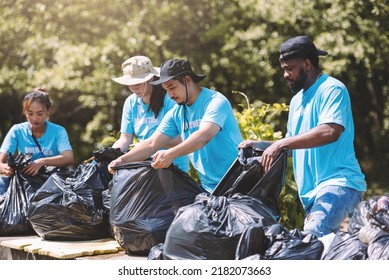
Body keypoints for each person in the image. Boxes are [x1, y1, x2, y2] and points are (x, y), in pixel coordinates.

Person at [239, 35, 367, 237]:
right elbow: (292, 145)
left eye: (289, 68)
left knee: (311, 237)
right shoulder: (297, 101)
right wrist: (260, 144)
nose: (285, 74)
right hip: (311, 194)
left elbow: (330, 131)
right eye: (284, 69)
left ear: (307, 64)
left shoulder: (331, 89)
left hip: (339, 183)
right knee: (326, 251)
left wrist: (281, 143)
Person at [109, 59, 243, 193]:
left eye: (172, 87)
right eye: (166, 89)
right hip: (209, 189)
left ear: (187, 80)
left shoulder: (215, 102)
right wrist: (120, 161)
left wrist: (171, 154)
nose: (170, 95)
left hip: (237, 182)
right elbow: (151, 143)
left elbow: (204, 136)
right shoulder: (177, 112)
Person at [111, 55, 189, 172]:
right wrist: (111, 153)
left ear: (151, 79)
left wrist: (146, 146)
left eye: (138, 83)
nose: (133, 88)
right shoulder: (130, 103)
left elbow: (183, 139)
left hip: (174, 169)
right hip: (145, 168)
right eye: (130, 84)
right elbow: (125, 139)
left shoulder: (170, 99)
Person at [0, 88, 74, 195]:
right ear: (25, 112)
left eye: (39, 114)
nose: (34, 118)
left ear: (48, 111)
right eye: (30, 114)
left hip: (52, 182)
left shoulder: (58, 131)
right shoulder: (17, 130)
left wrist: (41, 162)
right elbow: (1, 159)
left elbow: (69, 158)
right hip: (25, 181)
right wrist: (3, 167)